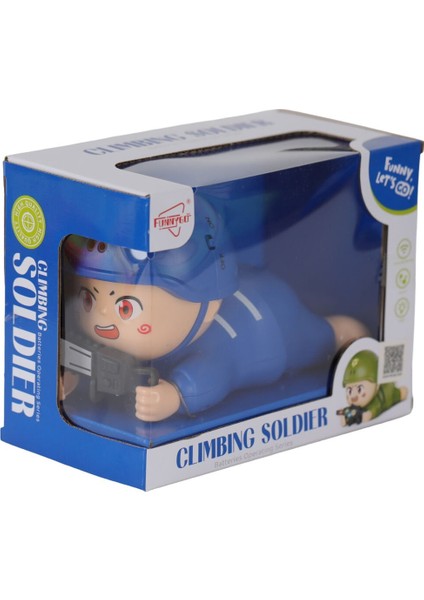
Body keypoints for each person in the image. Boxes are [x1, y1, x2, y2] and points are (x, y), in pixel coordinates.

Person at [61, 199, 367, 422]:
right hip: (250, 283)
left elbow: (211, 375)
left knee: (319, 338)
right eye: (88, 300)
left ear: (207, 309)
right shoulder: (120, 346)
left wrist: (175, 396)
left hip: (274, 326)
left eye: (126, 308)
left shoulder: (210, 352)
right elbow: (100, 368)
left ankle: (343, 331)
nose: (102, 316)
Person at [339, 350, 408, 426]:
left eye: (359, 389)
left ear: (377, 386)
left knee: (400, 393)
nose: (353, 396)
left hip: (388, 393)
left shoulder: (377, 400)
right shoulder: (358, 405)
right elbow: (353, 411)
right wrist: (345, 413)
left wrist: (369, 414)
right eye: (349, 391)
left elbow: (375, 408)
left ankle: (401, 391)